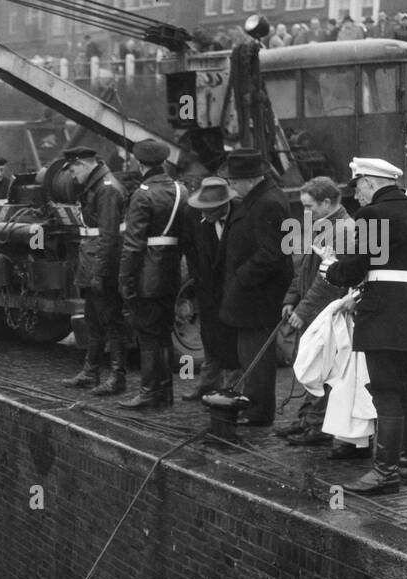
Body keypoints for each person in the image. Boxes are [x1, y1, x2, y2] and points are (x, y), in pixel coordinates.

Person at [321, 157, 407, 494]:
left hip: (384, 317)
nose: (356, 194)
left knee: (387, 393)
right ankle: (406, 465)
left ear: (372, 183)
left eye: (358, 185)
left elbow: (354, 268)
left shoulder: (373, 216)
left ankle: (386, 473)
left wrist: (331, 270)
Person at [216, 147, 293, 426]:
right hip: (249, 296)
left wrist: (241, 278)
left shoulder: (268, 203)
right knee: (249, 355)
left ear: (251, 179)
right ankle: (251, 406)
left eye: (234, 180)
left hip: (258, 297)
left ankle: (258, 412)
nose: (230, 185)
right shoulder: (256, 198)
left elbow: (272, 254)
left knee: (257, 358)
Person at [278, 177, 354, 446]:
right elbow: (303, 267)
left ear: (326, 202)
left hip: (326, 312)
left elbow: (328, 279)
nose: (306, 212)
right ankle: (307, 418)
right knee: (311, 363)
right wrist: (292, 297)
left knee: (323, 368)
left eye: (309, 206)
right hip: (315, 311)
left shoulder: (344, 230)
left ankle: (317, 425)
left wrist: (303, 308)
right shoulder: (320, 225)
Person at [118, 140, 187, 409]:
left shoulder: (142, 194)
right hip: (171, 271)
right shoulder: (181, 190)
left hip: (147, 274)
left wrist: (125, 279)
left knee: (147, 333)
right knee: (164, 331)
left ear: (140, 164)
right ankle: (165, 391)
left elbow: (133, 245)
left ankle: (148, 391)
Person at [61, 148, 128, 395]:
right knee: (93, 321)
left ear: (84, 164)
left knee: (112, 321)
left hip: (103, 265)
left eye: (73, 169)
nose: (70, 175)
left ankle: (117, 377)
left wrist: (99, 274)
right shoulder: (96, 186)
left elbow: (109, 237)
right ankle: (91, 373)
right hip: (92, 263)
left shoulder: (107, 188)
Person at [181, 176, 240, 401]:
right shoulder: (191, 214)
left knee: (231, 339)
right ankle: (207, 384)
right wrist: (199, 278)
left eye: (210, 210)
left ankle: (231, 388)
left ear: (223, 205)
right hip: (207, 286)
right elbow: (190, 247)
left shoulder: (240, 213)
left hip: (234, 288)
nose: (204, 214)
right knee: (209, 335)